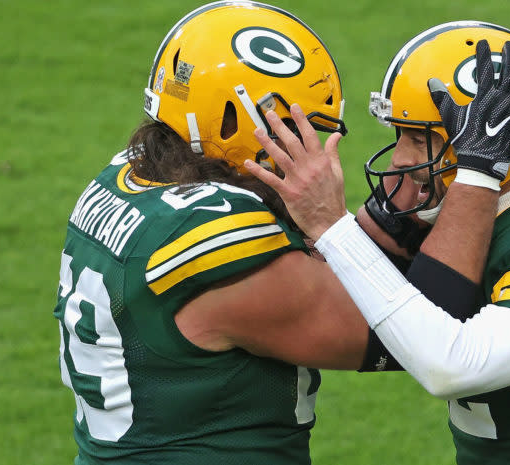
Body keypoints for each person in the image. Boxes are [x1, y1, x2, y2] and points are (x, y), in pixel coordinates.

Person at [246, 21, 510, 464]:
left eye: (420, 138)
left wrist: (333, 226)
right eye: (399, 135)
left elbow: (454, 365)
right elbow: (340, 296)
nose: (402, 158)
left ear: (496, 143)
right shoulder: (462, 210)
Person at [53, 2, 385, 463]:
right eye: (293, 126)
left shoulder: (123, 176)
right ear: (238, 121)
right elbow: (402, 330)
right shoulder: (218, 234)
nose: (308, 143)